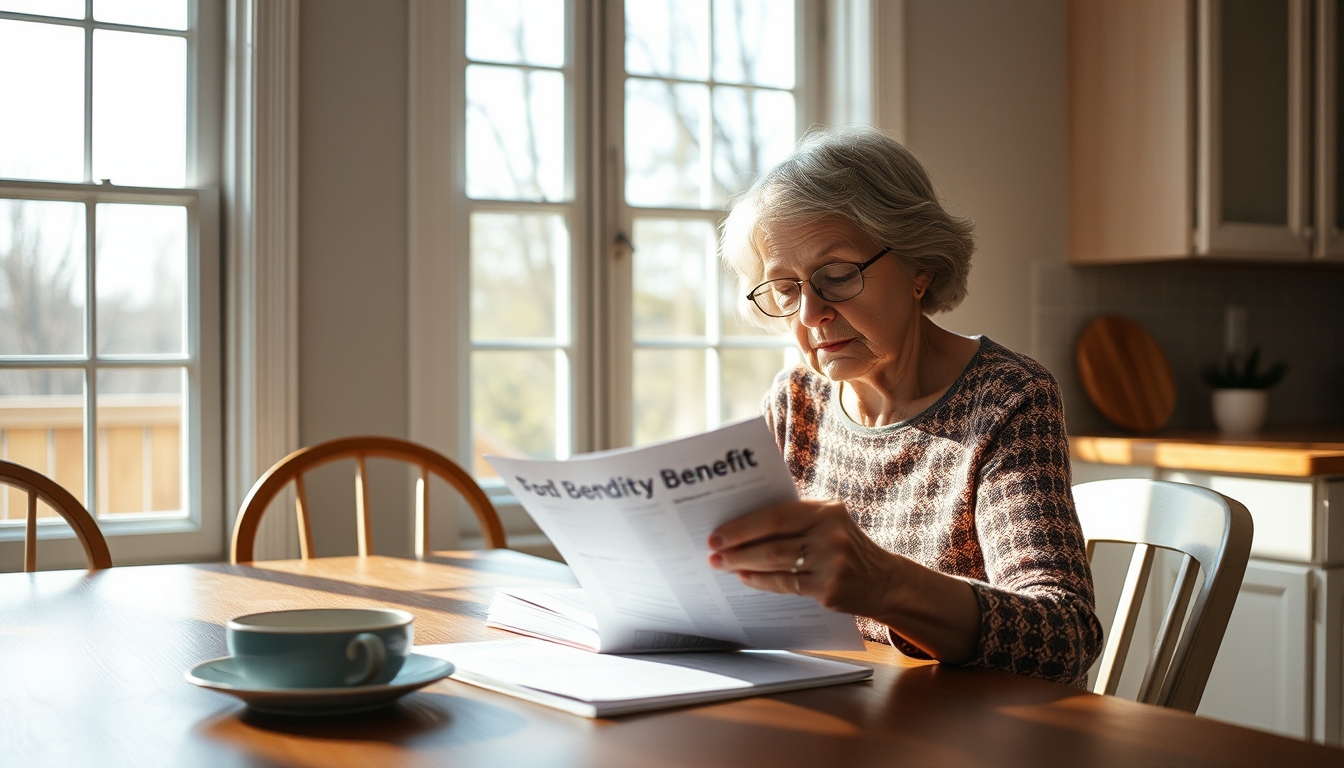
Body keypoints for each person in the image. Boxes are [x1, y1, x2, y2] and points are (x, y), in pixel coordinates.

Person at [708, 126, 1103, 687]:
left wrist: (886, 584)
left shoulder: (1006, 397)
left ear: (920, 267)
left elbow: (1065, 636)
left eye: (838, 275)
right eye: (787, 290)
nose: (809, 314)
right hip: (845, 709)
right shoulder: (798, 401)